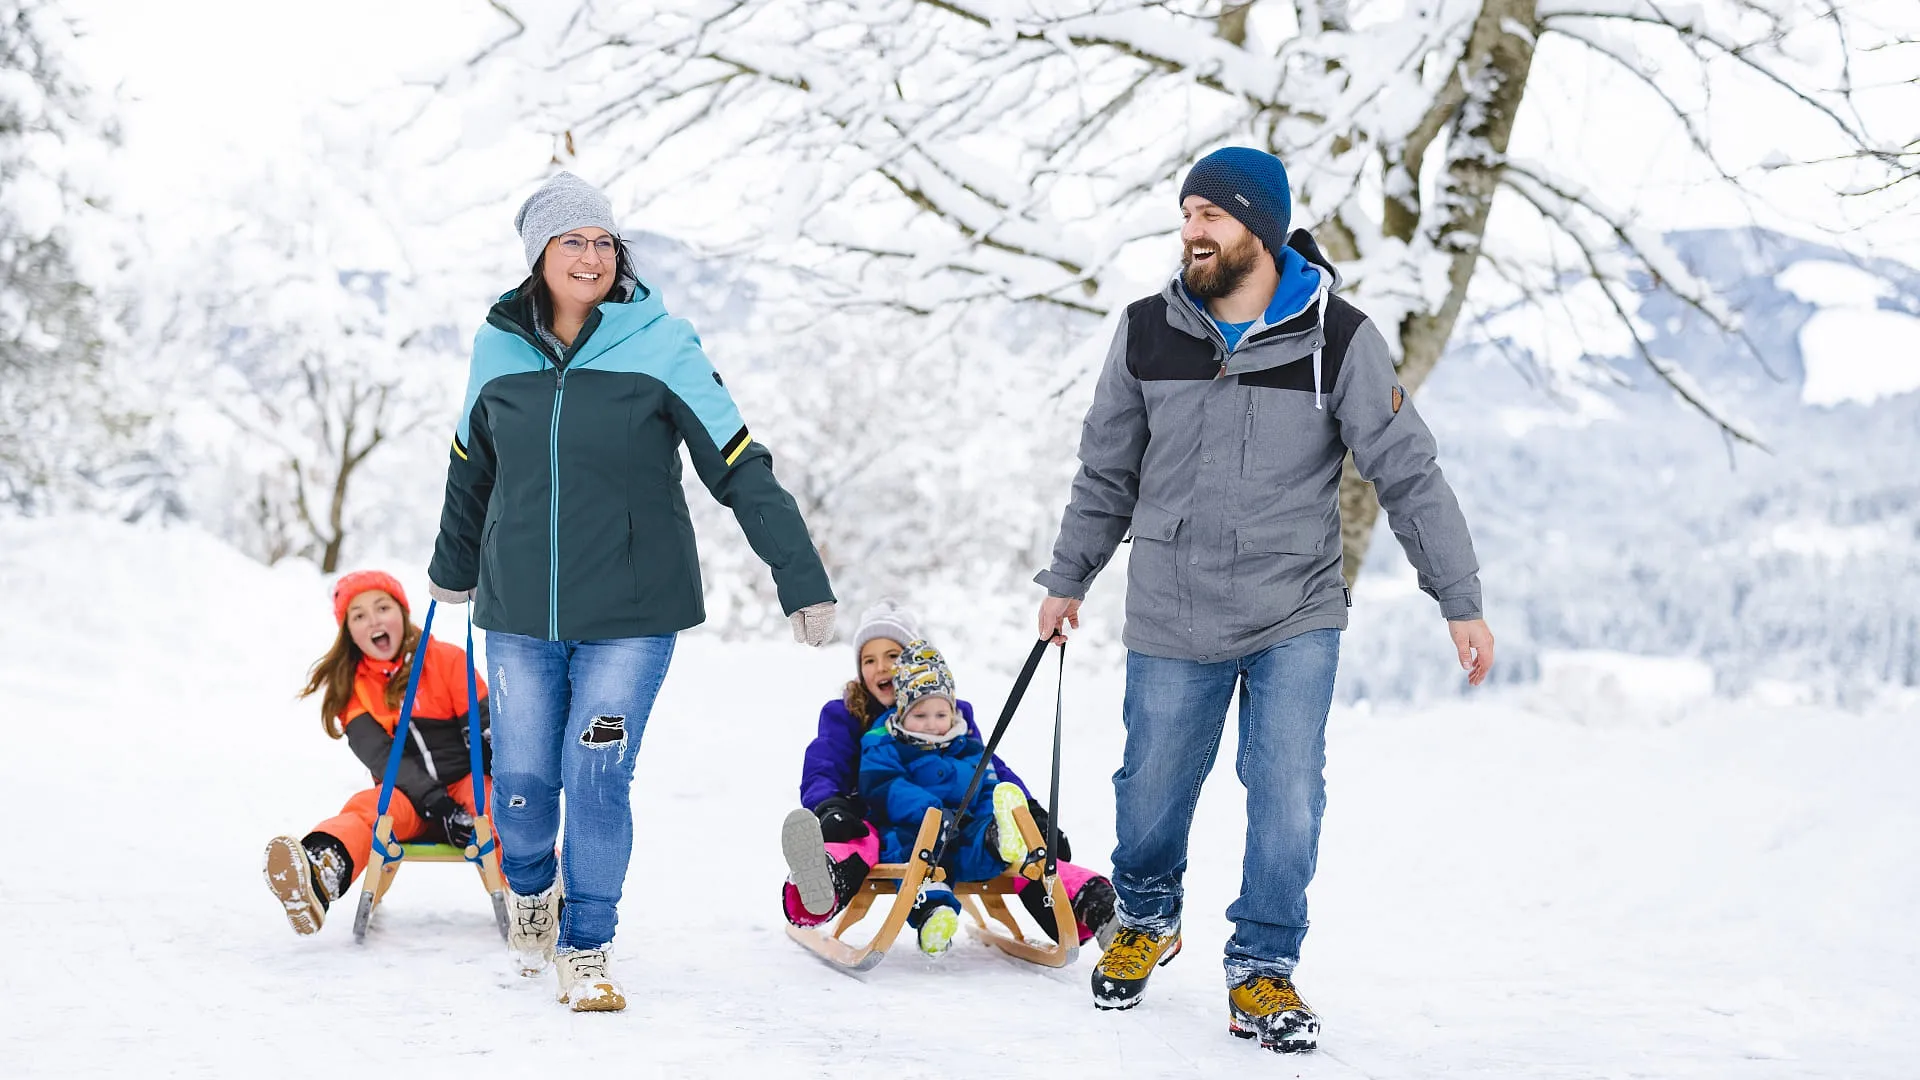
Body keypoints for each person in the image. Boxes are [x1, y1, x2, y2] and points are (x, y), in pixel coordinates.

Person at [1033, 146, 1497, 1053]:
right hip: (1172, 601)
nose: (1191, 232)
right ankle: (1148, 915)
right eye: (1186, 215)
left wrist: (1460, 597)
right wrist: (1067, 578)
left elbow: (1409, 472)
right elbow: (1105, 473)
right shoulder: (1145, 330)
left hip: (1296, 607)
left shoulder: (1341, 339)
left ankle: (1263, 965)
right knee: (1151, 786)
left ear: (1261, 227)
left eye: (1211, 215)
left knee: (1286, 792)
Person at [426, 172, 835, 1012]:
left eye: (602, 241)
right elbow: (471, 468)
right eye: (570, 241)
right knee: (526, 788)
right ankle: (532, 886)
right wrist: (453, 568)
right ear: (538, 256)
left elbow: (738, 464)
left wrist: (801, 578)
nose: (589, 256)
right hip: (519, 614)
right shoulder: (497, 347)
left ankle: (588, 942)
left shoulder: (661, 343)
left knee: (599, 776)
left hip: (631, 614)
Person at [780, 600, 1117, 950]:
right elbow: (825, 764)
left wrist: (1029, 813)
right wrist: (829, 806)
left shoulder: (952, 720)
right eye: (869, 659)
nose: (881, 668)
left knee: (1022, 850)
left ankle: (1090, 907)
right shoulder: (849, 716)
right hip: (874, 820)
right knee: (858, 842)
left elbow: (991, 771)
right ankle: (817, 886)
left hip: (961, 827)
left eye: (892, 656)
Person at [263, 570, 490, 936]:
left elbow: (486, 730)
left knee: (503, 810)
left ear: (402, 612)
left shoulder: (445, 660)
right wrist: (438, 804)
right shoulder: (352, 689)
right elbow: (383, 757)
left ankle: (546, 892)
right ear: (348, 631)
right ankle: (321, 869)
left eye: (382, 607)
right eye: (359, 615)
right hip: (407, 796)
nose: (374, 621)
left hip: (468, 784)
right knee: (370, 808)